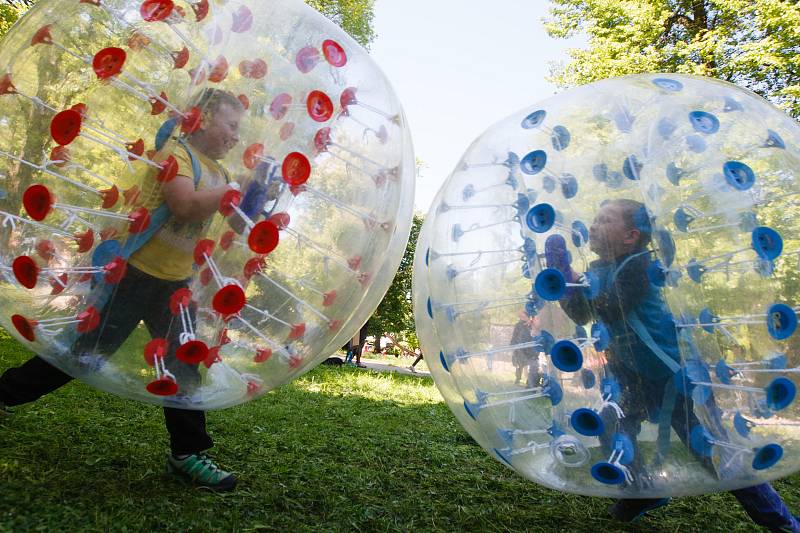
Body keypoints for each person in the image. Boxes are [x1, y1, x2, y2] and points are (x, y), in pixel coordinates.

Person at [0, 88, 248, 492]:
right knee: (80, 354)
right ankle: (6, 392)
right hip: (132, 275)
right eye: (231, 125)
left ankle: (187, 452)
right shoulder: (176, 153)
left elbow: (235, 222)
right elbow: (184, 205)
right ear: (202, 119)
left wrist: (255, 201)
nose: (236, 136)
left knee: (183, 365)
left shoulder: (221, 175)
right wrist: (227, 194)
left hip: (175, 286)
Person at [547, 198, 799, 530]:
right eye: (595, 218)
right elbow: (583, 313)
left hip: (673, 375)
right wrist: (565, 284)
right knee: (612, 427)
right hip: (631, 374)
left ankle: (780, 521)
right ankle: (642, 490)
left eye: (605, 220)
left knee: (713, 452)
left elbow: (611, 307)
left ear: (631, 236)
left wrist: (569, 278)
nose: (593, 225)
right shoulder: (598, 271)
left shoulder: (639, 265)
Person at [510, 311, 540, 386]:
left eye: (523, 317)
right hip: (520, 348)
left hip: (531, 349)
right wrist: (513, 345)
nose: (522, 318)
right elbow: (515, 335)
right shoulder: (518, 325)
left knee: (533, 365)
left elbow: (536, 335)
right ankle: (518, 379)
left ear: (528, 316)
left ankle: (530, 382)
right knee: (519, 364)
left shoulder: (533, 325)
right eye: (521, 317)